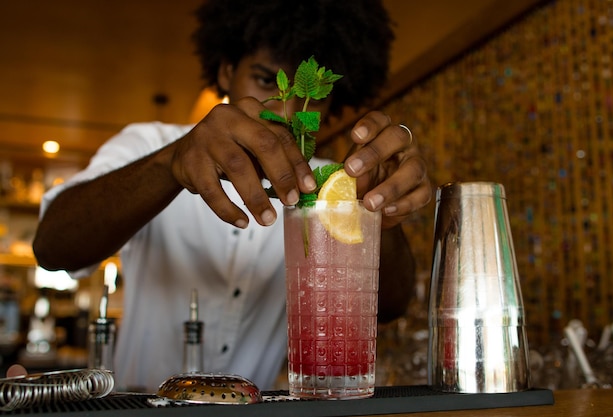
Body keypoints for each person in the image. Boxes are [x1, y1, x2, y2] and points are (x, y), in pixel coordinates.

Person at [31, 0, 431, 392]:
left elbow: (391, 306)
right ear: (225, 72)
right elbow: (53, 248)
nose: (288, 113)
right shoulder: (148, 143)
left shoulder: (332, 183)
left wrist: (380, 215)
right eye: (266, 81)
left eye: (313, 96)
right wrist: (170, 163)